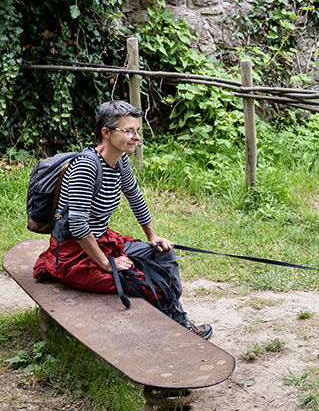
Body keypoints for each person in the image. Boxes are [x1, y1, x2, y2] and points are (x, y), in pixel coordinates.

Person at [33, 100, 212, 339]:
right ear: (106, 133)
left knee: (164, 253)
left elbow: (134, 196)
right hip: (75, 255)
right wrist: (107, 264)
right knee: (152, 283)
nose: (136, 137)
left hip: (103, 241)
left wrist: (152, 236)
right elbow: (77, 226)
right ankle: (172, 328)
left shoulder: (120, 161)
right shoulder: (86, 168)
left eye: (137, 131)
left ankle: (176, 320)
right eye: (128, 131)